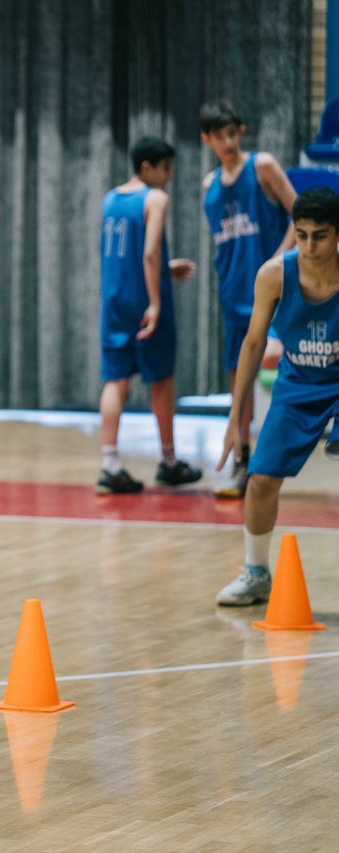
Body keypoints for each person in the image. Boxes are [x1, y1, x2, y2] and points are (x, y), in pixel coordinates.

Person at [215, 188, 339, 605]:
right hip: (298, 384)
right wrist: (235, 417)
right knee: (262, 479)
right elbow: (253, 344)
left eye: (320, 236)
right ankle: (255, 573)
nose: (309, 246)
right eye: (301, 235)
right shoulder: (273, 275)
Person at [200, 99, 296, 498]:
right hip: (233, 294)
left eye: (230, 133)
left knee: (281, 369)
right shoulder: (208, 187)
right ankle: (243, 460)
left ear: (240, 131)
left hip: (273, 293)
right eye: (217, 136)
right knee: (238, 382)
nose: (226, 142)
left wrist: (277, 261)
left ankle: (277, 457)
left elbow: (301, 214)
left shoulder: (262, 166)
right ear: (206, 140)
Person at [96, 137, 202, 494]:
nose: (169, 175)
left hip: (115, 302)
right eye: (165, 168)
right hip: (144, 303)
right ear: (147, 167)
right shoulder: (155, 198)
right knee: (161, 381)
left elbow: (124, 256)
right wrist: (155, 302)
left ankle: (110, 465)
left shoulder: (110, 199)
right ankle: (169, 462)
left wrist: (166, 269)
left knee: (116, 381)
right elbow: (149, 252)